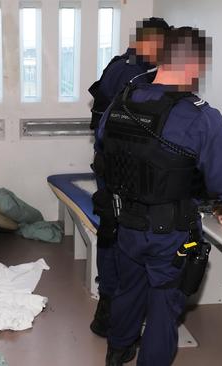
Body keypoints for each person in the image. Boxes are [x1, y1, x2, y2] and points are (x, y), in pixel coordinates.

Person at [93, 27, 222, 366]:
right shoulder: (201, 116)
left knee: (128, 291)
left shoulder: (122, 100)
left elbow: (103, 148)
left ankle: (117, 352)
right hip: (168, 234)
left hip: (124, 224)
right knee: (163, 306)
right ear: (196, 66)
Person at [88, 18, 171, 348]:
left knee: (111, 229)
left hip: (110, 166)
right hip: (124, 172)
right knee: (120, 235)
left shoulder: (118, 65)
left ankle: (109, 309)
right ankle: (113, 310)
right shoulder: (136, 74)